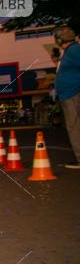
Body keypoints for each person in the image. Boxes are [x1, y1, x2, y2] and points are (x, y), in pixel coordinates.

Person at [53, 26, 80, 169]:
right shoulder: (70, 52)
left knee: (74, 127)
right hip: (70, 94)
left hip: (73, 94)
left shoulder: (75, 50)